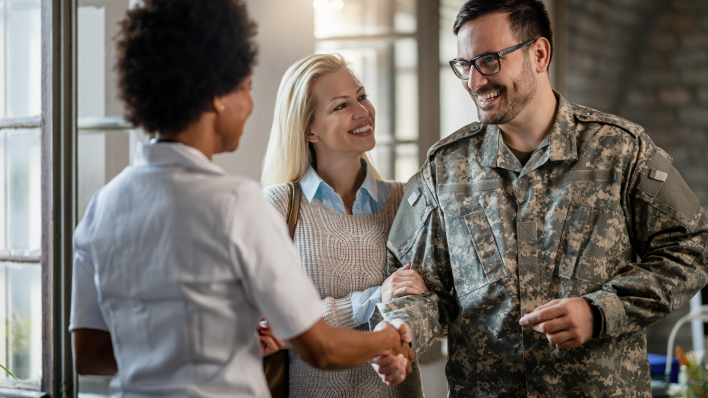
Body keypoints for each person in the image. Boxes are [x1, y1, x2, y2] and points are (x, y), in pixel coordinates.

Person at [68, 1, 414, 397]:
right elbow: (320, 348)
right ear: (218, 95)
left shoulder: (102, 207)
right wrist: (388, 342)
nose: (249, 107)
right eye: (246, 89)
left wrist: (178, 353)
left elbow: (90, 353)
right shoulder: (236, 203)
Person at [370, 0, 708, 396]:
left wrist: (600, 312)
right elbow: (424, 289)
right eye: (465, 65)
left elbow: (691, 248)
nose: (475, 82)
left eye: (490, 60)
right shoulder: (444, 169)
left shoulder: (621, 150)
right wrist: (402, 330)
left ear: (540, 54)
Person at [259, 53, 426, 397]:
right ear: (308, 129)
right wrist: (374, 298)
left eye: (362, 96)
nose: (363, 111)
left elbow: (426, 309)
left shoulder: (404, 201)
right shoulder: (278, 205)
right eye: (340, 106)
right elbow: (270, 328)